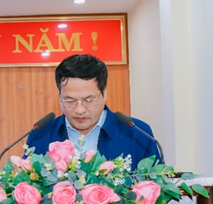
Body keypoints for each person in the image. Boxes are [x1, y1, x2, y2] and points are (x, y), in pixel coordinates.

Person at [25, 54, 161, 167]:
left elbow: (157, 187)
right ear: (60, 96)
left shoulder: (137, 134)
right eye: (70, 100)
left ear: (104, 94)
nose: (79, 110)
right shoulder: (40, 135)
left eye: (89, 100)